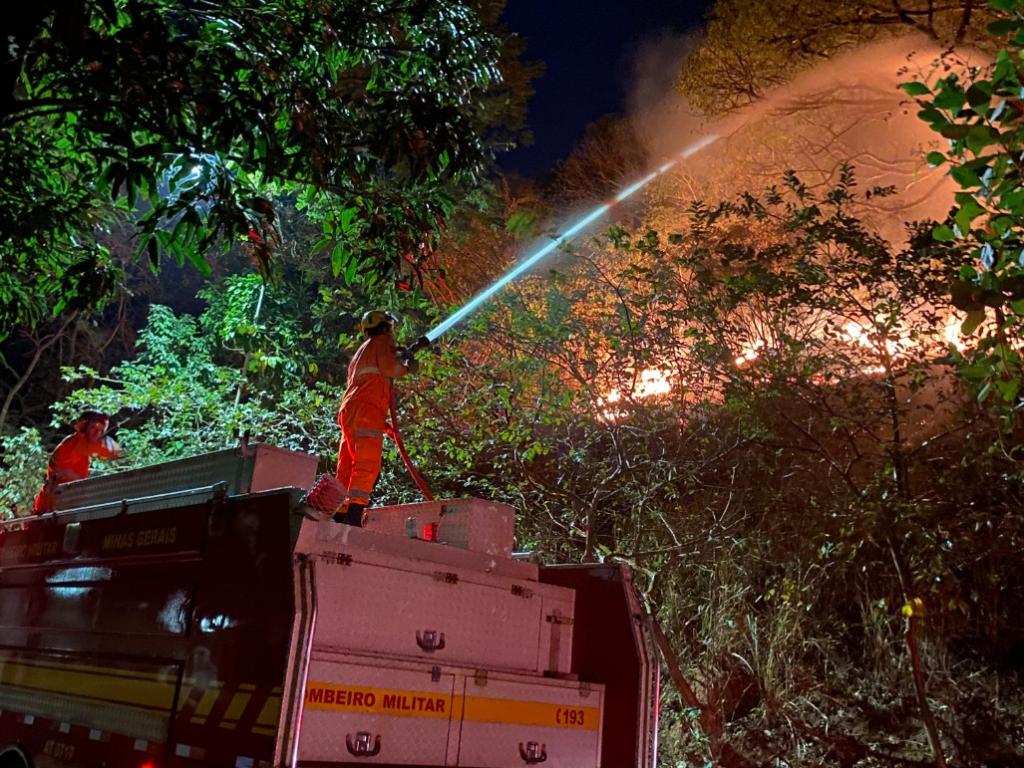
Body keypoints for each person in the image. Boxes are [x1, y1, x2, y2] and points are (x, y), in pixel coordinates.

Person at [334, 310, 419, 525]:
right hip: (366, 410)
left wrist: (385, 426)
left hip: (350, 410)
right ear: (384, 327)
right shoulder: (383, 341)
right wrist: (408, 368)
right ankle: (354, 517)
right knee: (367, 463)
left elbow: (369, 384)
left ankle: (339, 513)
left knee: (347, 463)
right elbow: (391, 369)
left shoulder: (362, 351)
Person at [32, 411, 122, 514]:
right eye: (94, 428)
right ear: (82, 427)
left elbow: (116, 453)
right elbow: (62, 477)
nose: (97, 434)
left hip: (65, 503)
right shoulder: (73, 445)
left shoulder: (83, 443)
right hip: (51, 506)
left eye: (101, 431)